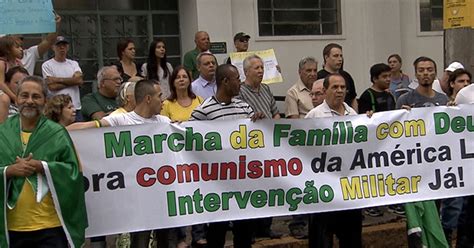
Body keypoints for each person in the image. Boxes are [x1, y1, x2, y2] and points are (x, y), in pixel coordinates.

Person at [0, 76, 87, 247]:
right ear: (16, 98)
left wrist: (43, 166)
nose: (29, 101)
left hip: (51, 226)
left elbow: (74, 172)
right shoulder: (3, 133)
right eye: (24, 96)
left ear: (45, 101)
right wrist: (9, 171)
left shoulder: (57, 133)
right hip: (11, 228)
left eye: (36, 96)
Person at [190, 64, 263, 248]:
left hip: (243, 184)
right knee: (217, 234)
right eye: (237, 79)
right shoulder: (204, 110)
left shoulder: (244, 107)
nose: (240, 83)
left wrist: (260, 122)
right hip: (217, 185)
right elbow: (189, 137)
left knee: (244, 234)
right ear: (225, 81)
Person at [397, 56, 449, 248]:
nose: (425, 73)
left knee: (436, 211)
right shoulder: (405, 99)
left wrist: (454, 112)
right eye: (421, 70)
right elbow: (393, 132)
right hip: (414, 169)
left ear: (435, 72)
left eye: (429, 69)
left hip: (437, 168)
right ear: (416, 73)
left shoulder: (443, 99)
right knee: (416, 216)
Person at [305, 74, 361, 248]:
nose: (340, 91)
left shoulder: (353, 114)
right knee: (321, 238)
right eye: (335, 87)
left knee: (351, 238)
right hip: (324, 188)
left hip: (349, 187)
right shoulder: (314, 116)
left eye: (343, 88)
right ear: (325, 91)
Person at [358, 63, 398, 217]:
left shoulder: (390, 95)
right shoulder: (367, 95)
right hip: (373, 143)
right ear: (374, 79)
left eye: (390, 76)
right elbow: (361, 117)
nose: (388, 79)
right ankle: (371, 204)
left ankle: (392, 201)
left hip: (389, 141)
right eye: (384, 77)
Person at [42, 36, 83, 121]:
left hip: (75, 107)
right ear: (53, 47)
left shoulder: (74, 64)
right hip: (57, 109)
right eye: (58, 45)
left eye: (64, 45)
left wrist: (57, 80)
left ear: (67, 47)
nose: (62, 47)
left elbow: (79, 80)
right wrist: (72, 82)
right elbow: (52, 87)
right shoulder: (47, 65)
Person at [317, 43, 357, 110]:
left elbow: (353, 99)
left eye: (341, 56)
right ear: (326, 57)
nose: (340, 59)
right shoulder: (318, 77)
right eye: (336, 56)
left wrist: (355, 117)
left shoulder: (346, 76)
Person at [239, 54, 280, 119]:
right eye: (256, 68)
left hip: (270, 127)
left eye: (262, 67)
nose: (261, 71)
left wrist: (273, 126)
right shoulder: (240, 91)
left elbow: (276, 113)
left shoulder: (266, 88)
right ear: (246, 72)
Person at [0, 36, 23, 103]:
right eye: (17, 47)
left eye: (21, 46)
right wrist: (14, 97)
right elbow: (1, 83)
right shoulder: (2, 64)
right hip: (4, 94)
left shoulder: (18, 63)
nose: (21, 49)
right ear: (7, 50)